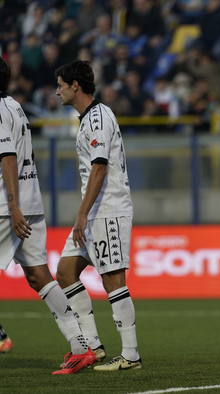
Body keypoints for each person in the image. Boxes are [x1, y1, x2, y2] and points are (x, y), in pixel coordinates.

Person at [0, 57, 96, 374]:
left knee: (38, 275)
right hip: (32, 203)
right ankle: (80, 346)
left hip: (7, 207)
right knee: (38, 276)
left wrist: (12, 207)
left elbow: (8, 158)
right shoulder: (14, 106)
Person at [54, 60, 141, 371]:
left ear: (75, 85)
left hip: (108, 211)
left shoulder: (99, 117)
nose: (57, 92)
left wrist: (81, 213)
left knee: (113, 279)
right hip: (93, 215)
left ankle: (131, 355)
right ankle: (93, 347)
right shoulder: (87, 118)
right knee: (65, 272)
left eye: (61, 85)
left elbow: (100, 167)